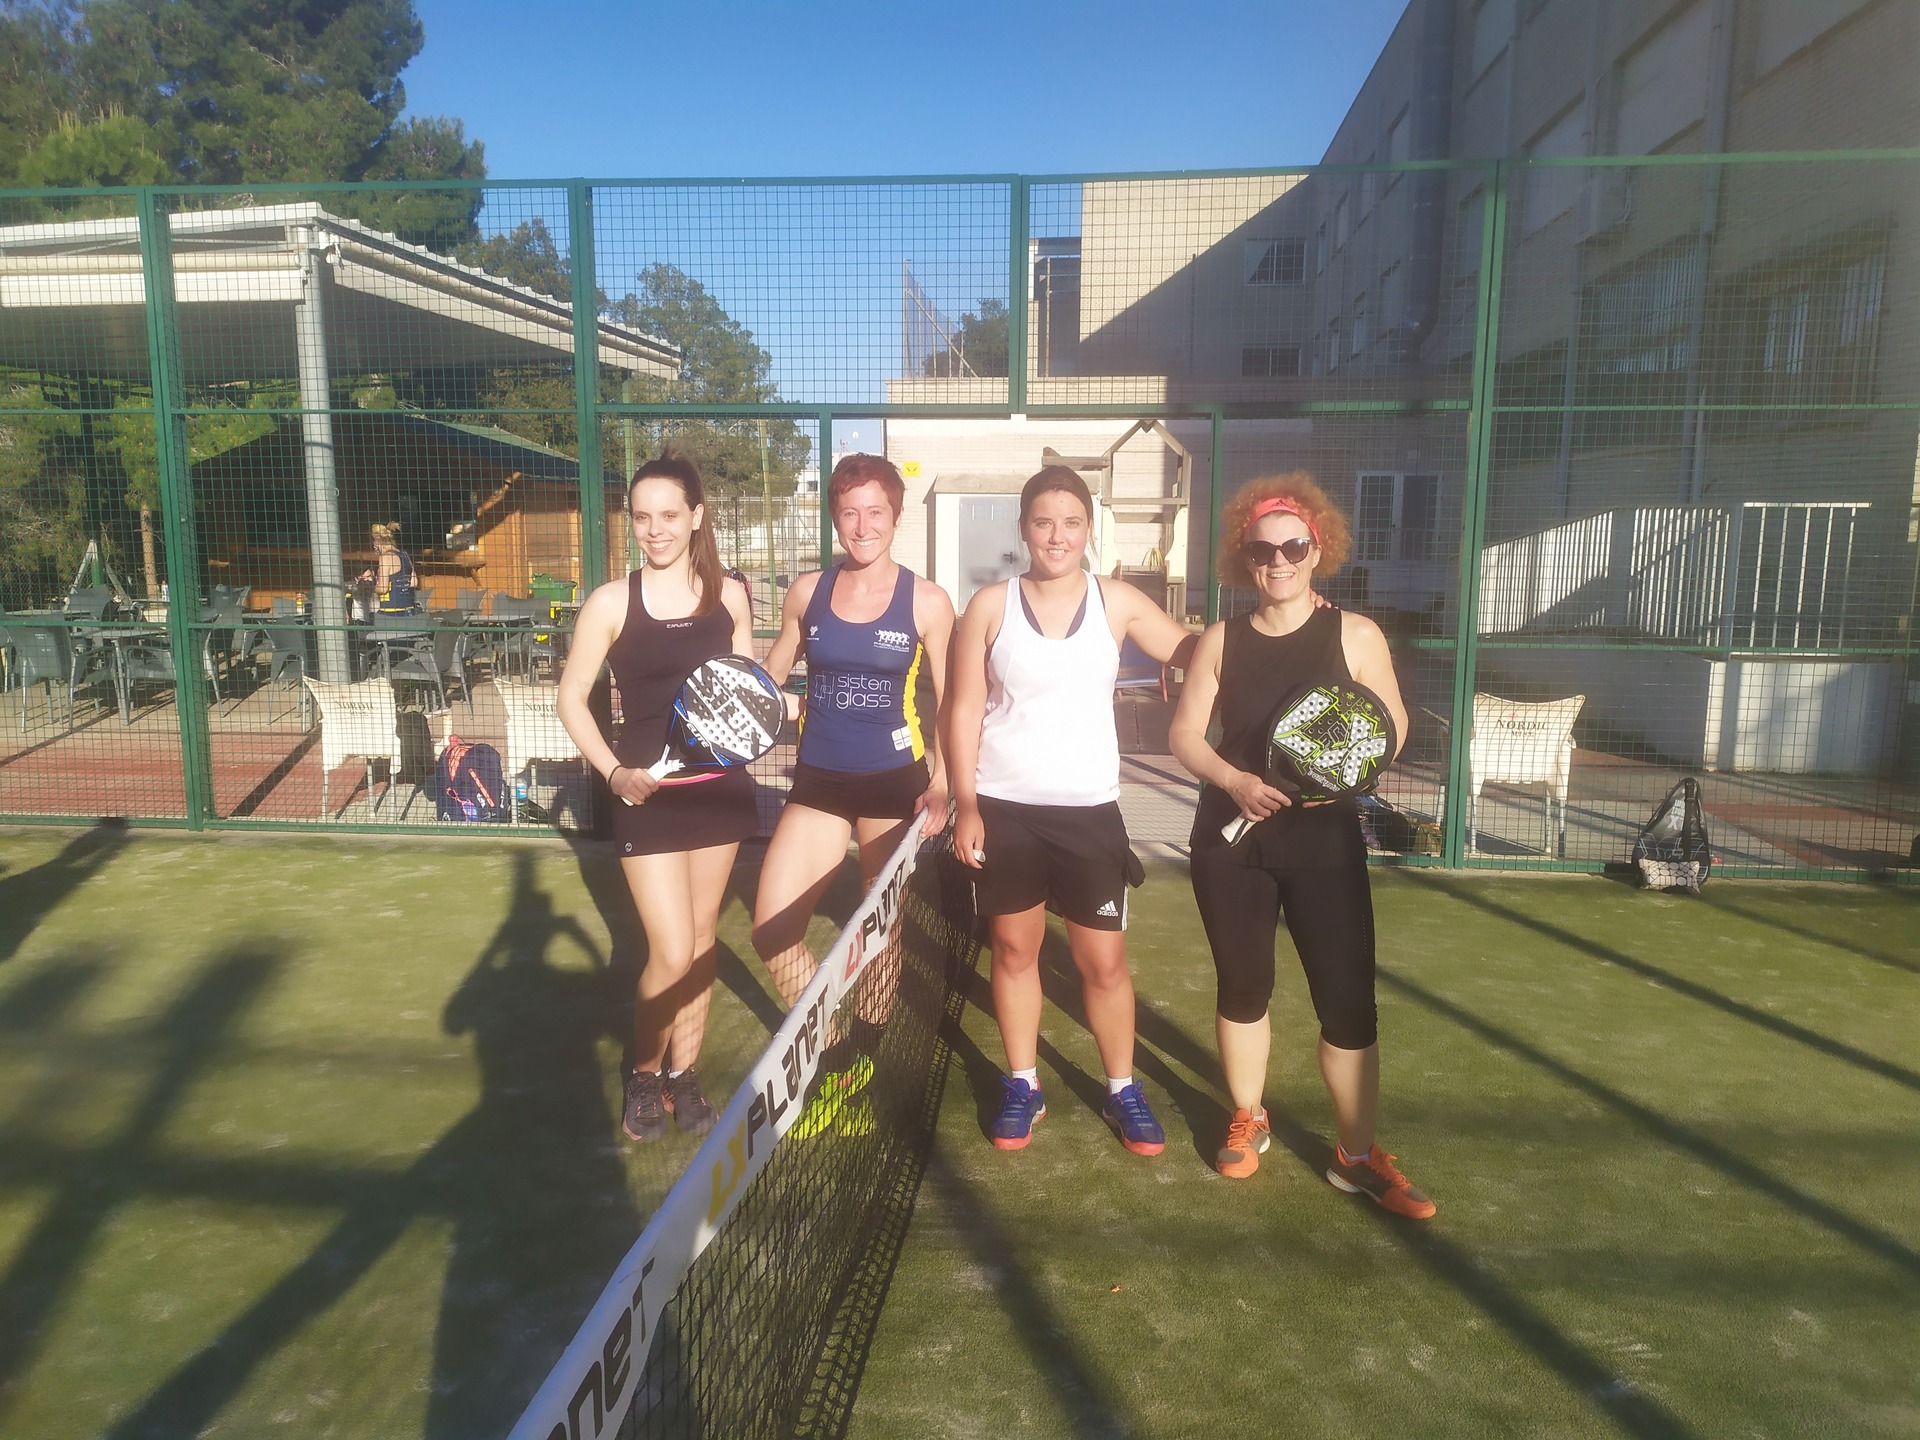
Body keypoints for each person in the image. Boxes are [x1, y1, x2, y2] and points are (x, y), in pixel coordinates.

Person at [1167, 472, 1434, 1218]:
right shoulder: (1220, 639)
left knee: (1347, 1004)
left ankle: (1356, 1156)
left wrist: (1345, 770)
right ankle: (1248, 1116)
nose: (1278, 560)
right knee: (1243, 986)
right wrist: (1234, 780)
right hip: (1231, 842)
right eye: (1262, 550)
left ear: (1318, 548)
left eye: (1293, 546)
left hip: (1324, 842)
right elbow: (1185, 734)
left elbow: (1391, 722)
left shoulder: (1356, 634)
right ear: (1243, 557)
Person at [946, 465, 1197, 1156]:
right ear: (1024, 529)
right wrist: (965, 803)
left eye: (1072, 523)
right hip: (1005, 807)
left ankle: (1123, 1088)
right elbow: (963, 709)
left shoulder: (1119, 602)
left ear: (1089, 530)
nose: (1057, 536)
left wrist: (1279, 623)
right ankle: (1023, 1083)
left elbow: (1194, 651)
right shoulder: (989, 605)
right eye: (1043, 522)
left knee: (1104, 963)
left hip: (1089, 813)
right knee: (1014, 950)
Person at [556, 453, 758, 1143]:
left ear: (697, 516)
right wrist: (615, 773)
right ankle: (645, 1073)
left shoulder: (731, 596)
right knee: (670, 949)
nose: (655, 529)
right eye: (642, 517)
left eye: (669, 515)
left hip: (719, 793)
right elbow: (570, 699)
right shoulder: (611, 602)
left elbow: (742, 689)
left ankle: (684, 1071)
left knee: (700, 942)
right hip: (645, 797)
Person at [752, 454, 954, 1135]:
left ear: (896, 516)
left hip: (897, 786)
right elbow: (769, 675)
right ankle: (835, 1054)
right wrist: (743, 699)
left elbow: (954, 699)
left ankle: (856, 1069)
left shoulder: (928, 601)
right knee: (772, 930)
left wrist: (945, 783)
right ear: (834, 518)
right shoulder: (807, 591)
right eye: (849, 512)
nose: (862, 526)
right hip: (819, 782)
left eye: (875, 511)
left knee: (880, 936)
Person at [359, 522, 420, 615]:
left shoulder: (385, 557)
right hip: (409, 609)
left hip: (391, 611)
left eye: (373, 544)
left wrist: (370, 587)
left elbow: (383, 588)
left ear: (377, 539)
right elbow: (414, 582)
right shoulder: (405, 555)